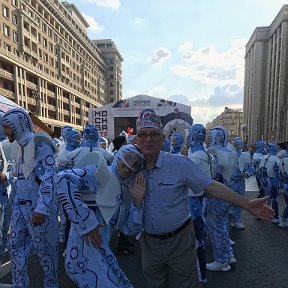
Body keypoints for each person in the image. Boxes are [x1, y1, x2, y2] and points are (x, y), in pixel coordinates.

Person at [127, 109, 274, 288]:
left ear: (162, 137)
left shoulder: (179, 164)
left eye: (154, 134)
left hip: (179, 241)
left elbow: (211, 186)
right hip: (149, 244)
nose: (148, 139)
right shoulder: (131, 167)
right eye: (143, 134)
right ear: (137, 138)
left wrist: (247, 204)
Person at [54, 144, 145, 287]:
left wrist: (138, 204)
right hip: (82, 258)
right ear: (119, 155)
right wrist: (85, 221)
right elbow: (62, 179)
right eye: (128, 158)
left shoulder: (124, 191)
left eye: (136, 164)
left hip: (103, 255)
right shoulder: (99, 173)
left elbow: (129, 229)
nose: (130, 166)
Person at [1, 108, 59, 288]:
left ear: (17, 125)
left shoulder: (41, 144)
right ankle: (20, 284)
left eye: (7, 127)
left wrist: (42, 208)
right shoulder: (17, 146)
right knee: (15, 245)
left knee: (47, 254)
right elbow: (20, 178)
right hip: (20, 205)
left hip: (38, 207)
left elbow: (49, 177)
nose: (5, 131)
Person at [229, 137, 255, 229]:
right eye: (234, 143)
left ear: (241, 145)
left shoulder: (245, 155)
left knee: (240, 201)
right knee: (229, 201)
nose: (235, 145)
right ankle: (230, 219)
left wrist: (246, 173)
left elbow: (251, 168)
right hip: (230, 182)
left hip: (240, 182)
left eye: (237, 143)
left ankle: (237, 220)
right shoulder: (229, 154)